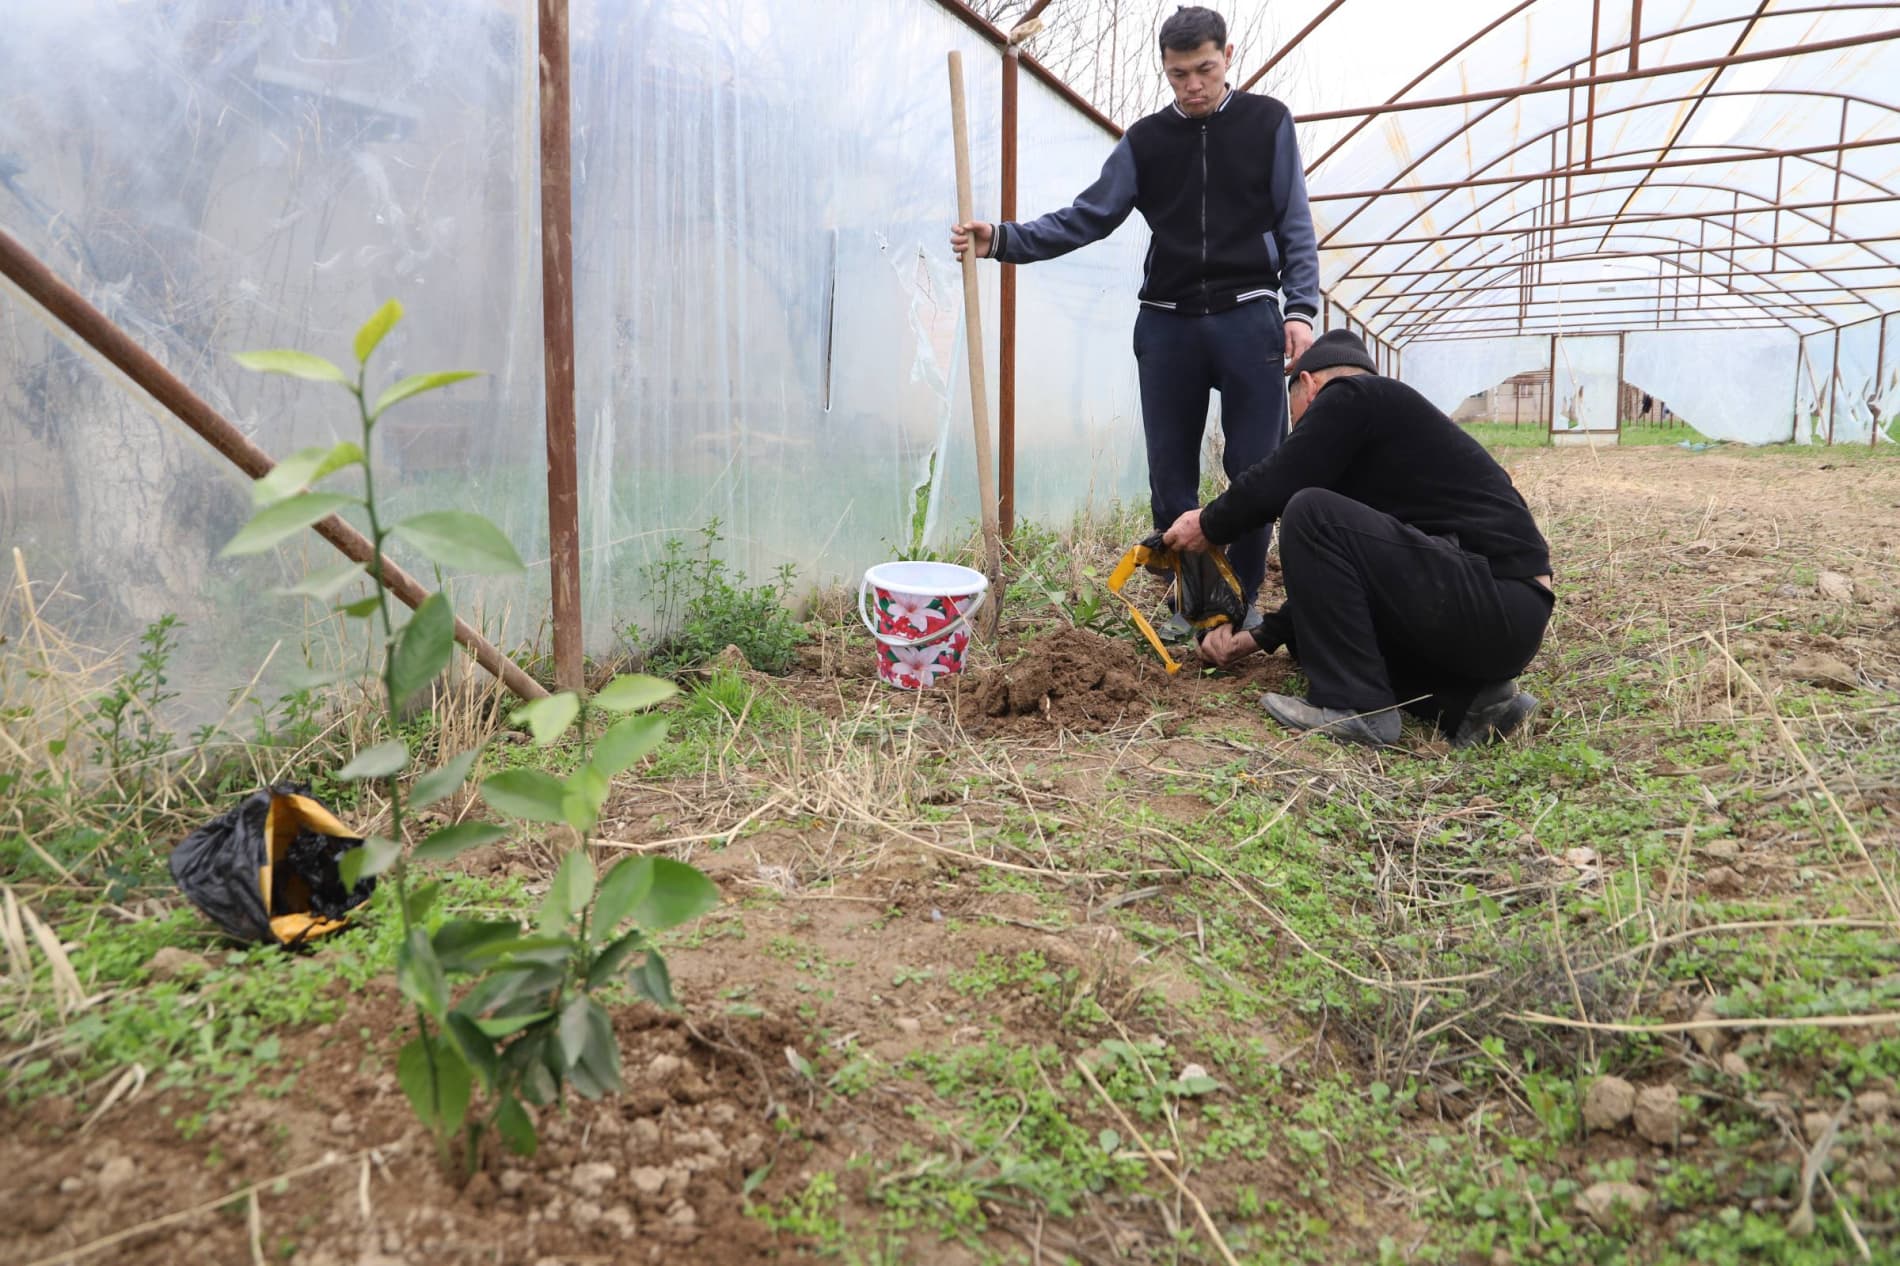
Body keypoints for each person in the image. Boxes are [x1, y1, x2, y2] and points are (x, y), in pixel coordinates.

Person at [951, 5, 1318, 617]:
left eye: (1204, 70)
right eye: (1178, 75)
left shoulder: (1267, 122)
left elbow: (1295, 222)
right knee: (1170, 478)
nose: (1193, 85)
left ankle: (1241, 605)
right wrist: (1005, 240)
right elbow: (1089, 216)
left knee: (1254, 470)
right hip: (1168, 323)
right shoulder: (1146, 141)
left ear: (1228, 58)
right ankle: (1191, 603)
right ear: (1166, 70)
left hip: (1249, 316)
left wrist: (1300, 309)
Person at [1163, 330, 1554, 749]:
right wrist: (1257, 639)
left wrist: (1209, 523)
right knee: (1316, 639)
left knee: (1309, 510)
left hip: (1494, 594)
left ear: (1310, 385)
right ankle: (1471, 703)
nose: (1299, 430)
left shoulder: (1355, 393)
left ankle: (1356, 707)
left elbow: (1282, 478)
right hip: (1501, 618)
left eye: (1297, 418)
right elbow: (1339, 587)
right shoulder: (1387, 448)